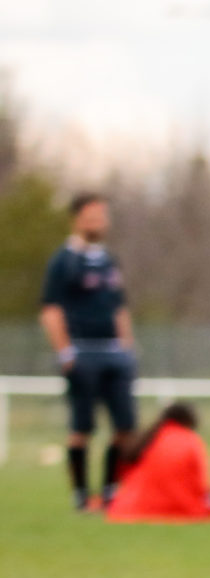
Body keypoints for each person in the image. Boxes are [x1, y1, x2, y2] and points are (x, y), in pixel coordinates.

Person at [38, 192, 138, 512]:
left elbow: (119, 306)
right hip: (82, 351)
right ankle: (81, 495)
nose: (99, 222)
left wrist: (127, 348)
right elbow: (50, 310)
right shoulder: (63, 260)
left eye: (102, 216)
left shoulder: (109, 260)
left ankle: (110, 492)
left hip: (114, 353)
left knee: (125, 427)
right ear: (78, 218)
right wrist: (66, 352)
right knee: (82, 428)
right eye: (93, 216)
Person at [103, 403, 210, 522]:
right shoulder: (191, 441)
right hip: (178, 509)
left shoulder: (145, 439)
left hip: (128, 509)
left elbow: (124, 474)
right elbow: (200, 486)